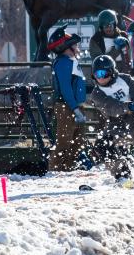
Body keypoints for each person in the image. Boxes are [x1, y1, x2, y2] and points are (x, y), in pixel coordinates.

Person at [48, 24, 90, 171]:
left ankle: (68, 168)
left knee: (78, 141)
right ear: (67, 47)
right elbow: (66, 89)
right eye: (75, 45)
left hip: (75, 105)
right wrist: (75, 109)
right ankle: (54, 170)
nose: (78, 47)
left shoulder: (71, 62)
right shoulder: (63, 63)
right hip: (67, 106)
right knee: (64, 141)